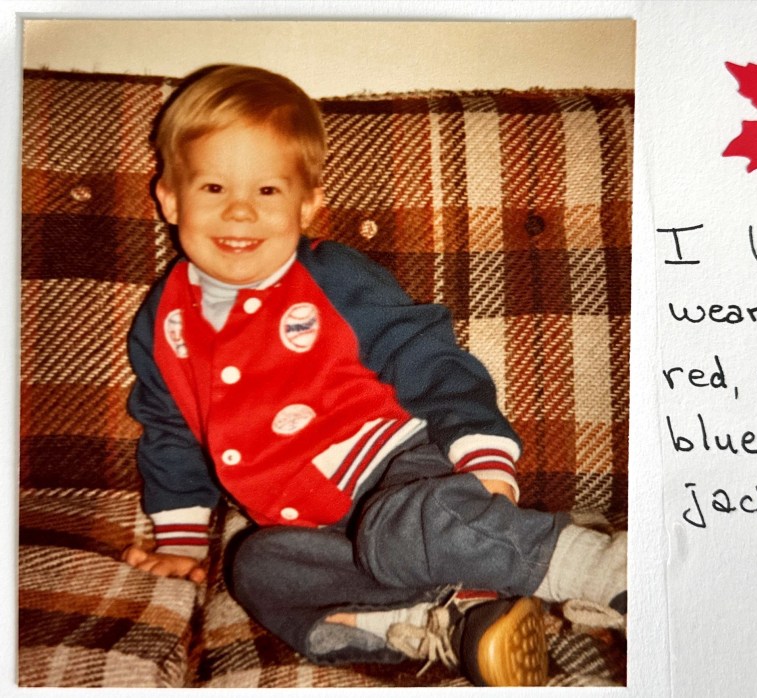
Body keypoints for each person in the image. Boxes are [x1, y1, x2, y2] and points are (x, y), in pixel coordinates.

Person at [122, 64, 625, 687]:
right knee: (255, 567)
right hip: (305, 524)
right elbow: (169, 429)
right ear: (170, 197)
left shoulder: (333, 276)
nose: (241, 212)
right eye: (215, 188)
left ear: (309, 204)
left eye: (268, 192)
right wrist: (181, 540)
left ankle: (608, 571)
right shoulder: (162, 322)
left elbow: (429, 357)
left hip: (396, 468)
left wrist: (484, 457)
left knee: (400, 526)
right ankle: (444, 620)